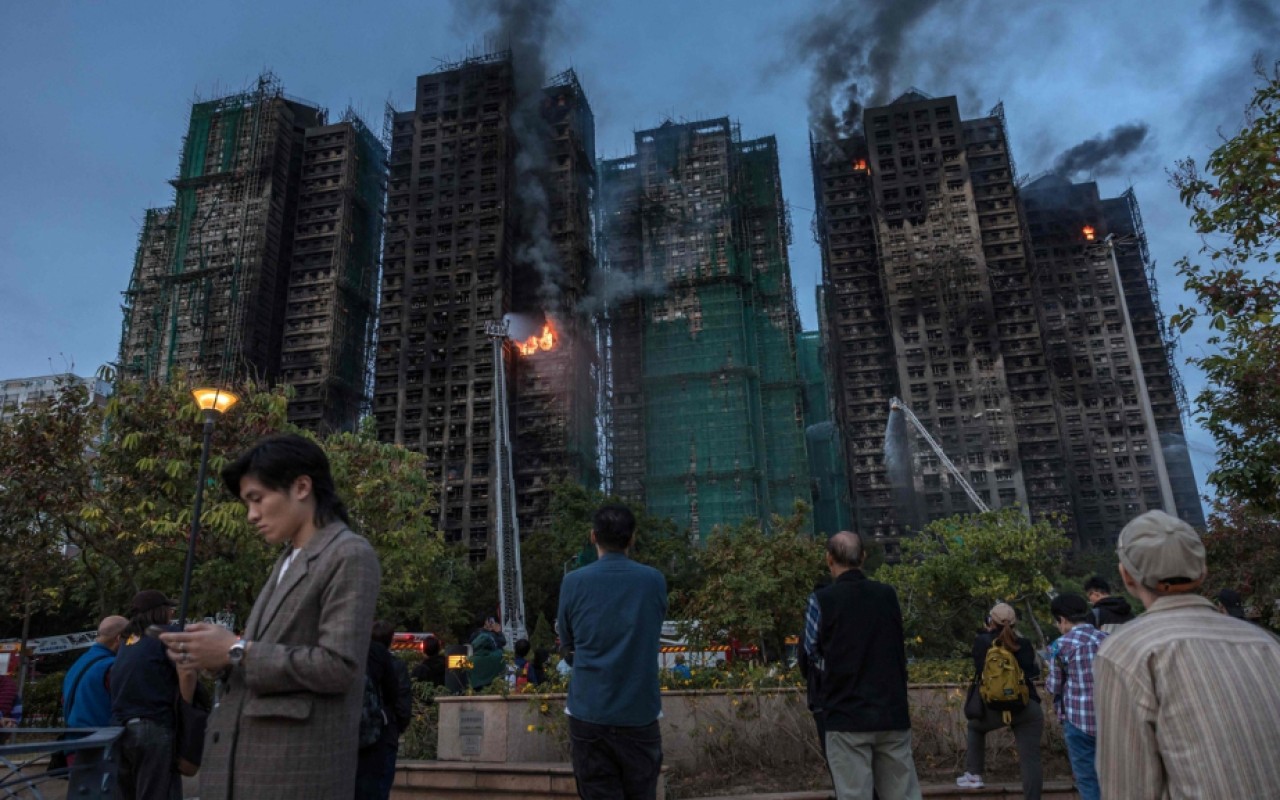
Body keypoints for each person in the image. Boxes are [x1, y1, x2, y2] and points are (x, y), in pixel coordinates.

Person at [160, 433, 381, 800]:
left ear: (301, 487)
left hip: (291, 776)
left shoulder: (348, 554)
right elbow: (258, 654)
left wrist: (234, 650)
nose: (251, 516)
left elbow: (339, 666)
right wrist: (209, 653)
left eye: (257, 499)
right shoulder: (287, 560)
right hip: (245, 771)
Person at [1095, 510, 1280, 798]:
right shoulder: (1265, 643)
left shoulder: (1126, 651)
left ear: (1126, 576)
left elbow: (1128, 788)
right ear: (1202, 571)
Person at [557, 504, 667, 800]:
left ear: (593, 537)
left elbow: (566, 639)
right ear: (632, 538)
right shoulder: (653, 581)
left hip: (588, 712)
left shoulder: (573, 582)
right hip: (639, 713)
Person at [804, 531, 921, 800]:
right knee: (903, 794)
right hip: (892, 712)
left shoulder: (822, 600)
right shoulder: (887, 595)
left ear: (829, 559)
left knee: (854, 794)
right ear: (863, 558)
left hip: (845, 715)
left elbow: (811, 651)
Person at [110, 591, 195, 800]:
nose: (171, 613)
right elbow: (187, 670)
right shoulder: (167, 634)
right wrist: (187, 707)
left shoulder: (128, 640)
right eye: (169, 609)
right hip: (154, 725)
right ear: (161, 611)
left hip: (121, 728)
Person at [957, 602, 1042, 798]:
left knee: (975, 727)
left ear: (991, 621)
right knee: (1031, 760)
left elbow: (980, 672)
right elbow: (1032, 673)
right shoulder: (1025, 644)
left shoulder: (982, 642)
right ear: (1014, 623)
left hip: (993, 706)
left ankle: (974, 775)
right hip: (1026, 707)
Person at [1044, 593, 1106, 800]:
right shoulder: (1107, 640)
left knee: (1087, 779)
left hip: (1077, 722)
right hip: (1110, 721)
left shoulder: (1060, 646)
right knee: (1112, 777)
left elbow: (1054, 686)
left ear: (1062, 619)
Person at [356, 620, 412, 800]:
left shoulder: (357, 663)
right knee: (379, 788)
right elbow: (400, 698)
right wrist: (396, 726)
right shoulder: (394, 665)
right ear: (391, 640)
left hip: (357, 736)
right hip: (384, 734)